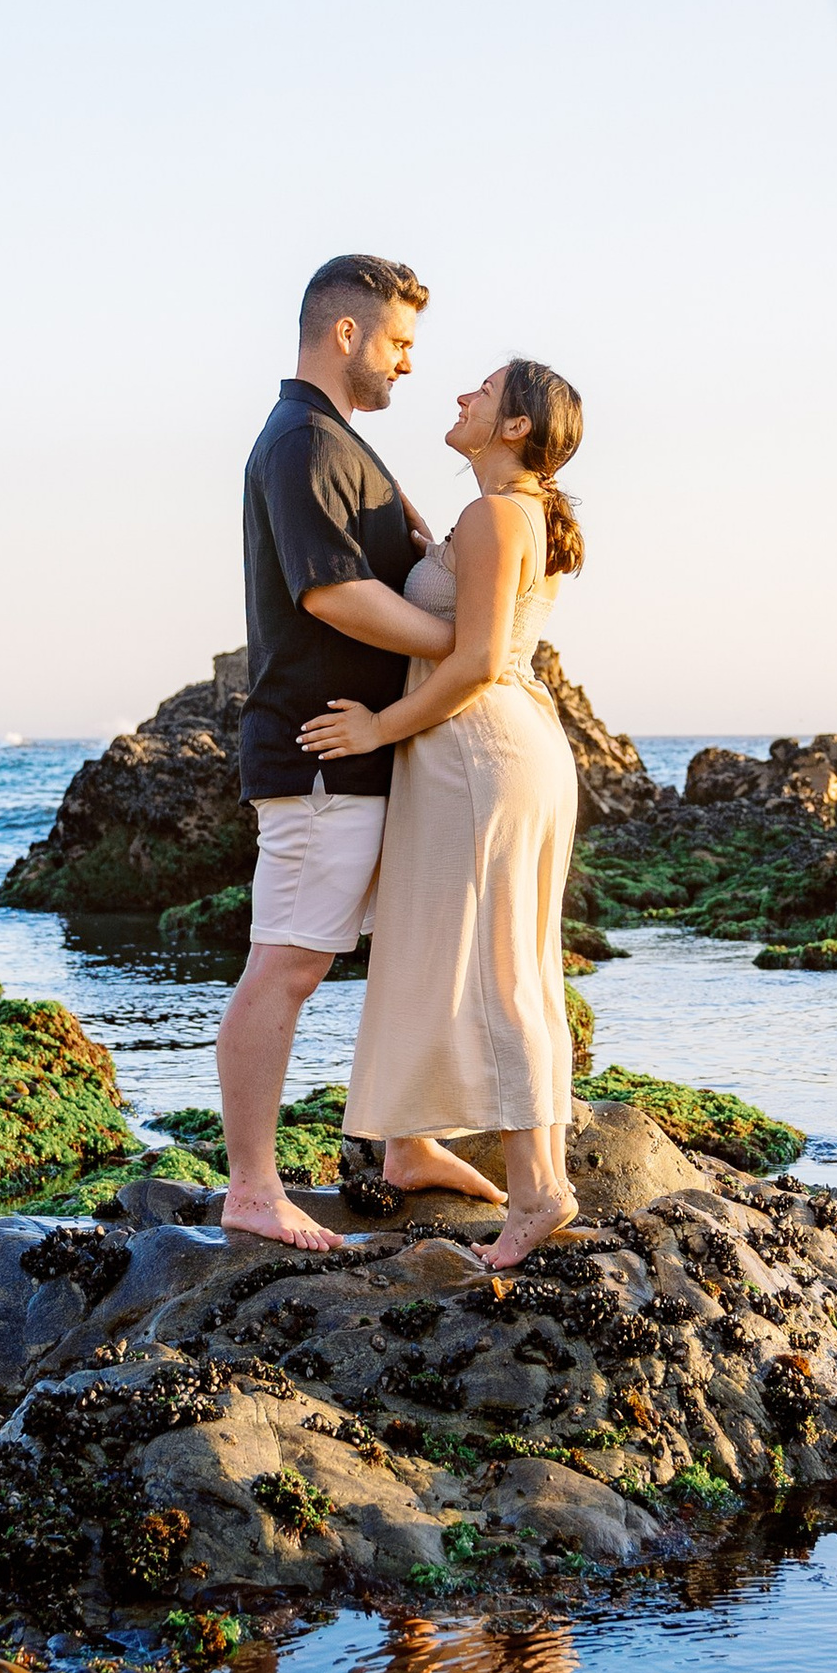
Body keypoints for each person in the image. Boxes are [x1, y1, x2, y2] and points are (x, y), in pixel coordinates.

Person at [217, 255, 510, 1247]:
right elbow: (332, 593)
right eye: (398, 343)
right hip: (315, 750)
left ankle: (407, 1143)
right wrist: (469, 651)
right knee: (287, 968)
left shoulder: (340, 444)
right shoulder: (301, 440)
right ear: (344, 333)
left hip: (373, 752)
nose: (407, 364)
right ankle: (252, 1191)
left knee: (408, 956)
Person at [300, 356, 586, 1269]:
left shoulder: (500, 513)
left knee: (502, 970)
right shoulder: (498, 514)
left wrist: (376, 727)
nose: (461, 395)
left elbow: (472, 660)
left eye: (484, 392)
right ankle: (412, 1140)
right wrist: (430, 545)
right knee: (458, 954)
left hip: (480, 755)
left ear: (514, 428)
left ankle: (540, 1192)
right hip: (482, 753)